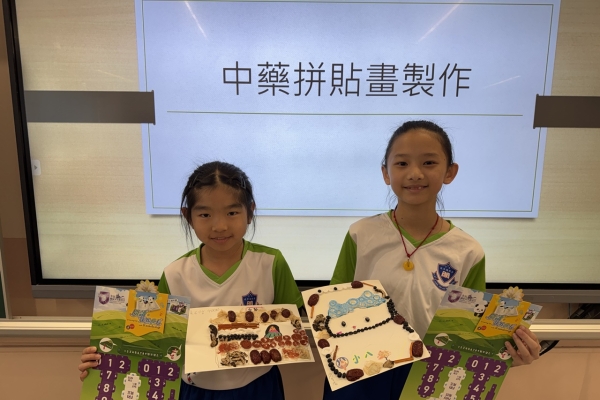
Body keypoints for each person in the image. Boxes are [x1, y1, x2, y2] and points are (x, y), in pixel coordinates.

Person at [324, 120, 541, 400]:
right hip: (359, 374)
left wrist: (506, 351)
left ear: (450, 172)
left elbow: (468, 335)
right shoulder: (360, 234)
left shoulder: (468, 251)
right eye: (402, 163)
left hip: (428, 378)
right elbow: (332, 312)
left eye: (428, 162)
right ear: (386, 172)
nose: (415, 173)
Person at [79, 161, 303, 400]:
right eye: (205, 214)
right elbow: (155, 348)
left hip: (258, 387)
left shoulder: (271, 263)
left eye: (232, 212)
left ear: (250, 212)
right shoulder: (175, 274)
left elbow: (292, 328)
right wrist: (104, 362)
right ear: (188, 216)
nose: (220, 226)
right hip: (194, 390)